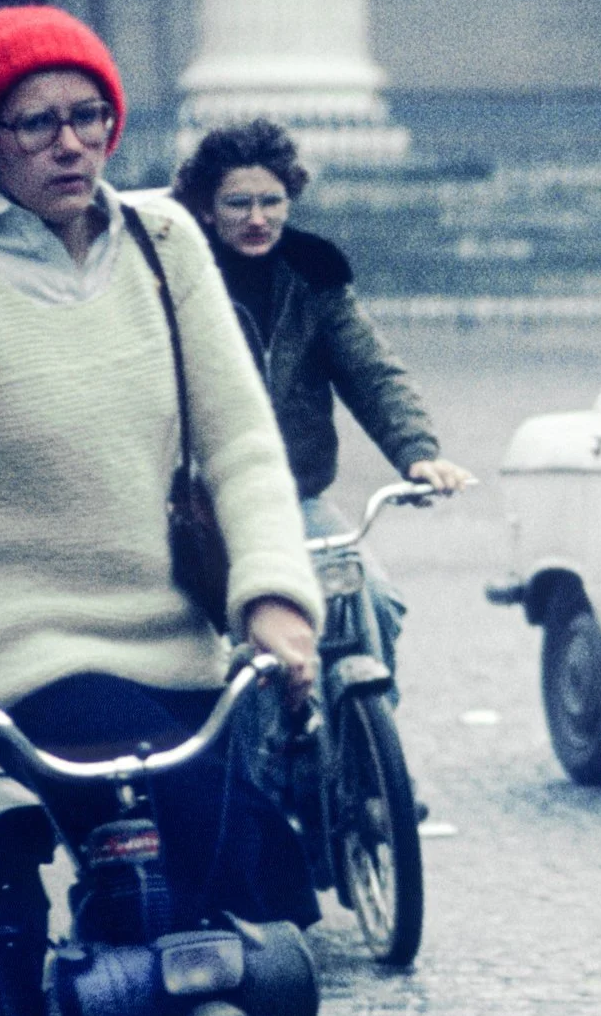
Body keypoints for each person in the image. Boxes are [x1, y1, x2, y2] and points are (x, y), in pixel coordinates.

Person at [0, 3, 325, 969]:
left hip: (180, 644)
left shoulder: (168, 244)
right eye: (38, 123)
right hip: (29, 652)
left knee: (254, 871)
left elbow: (240, 440)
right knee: (164, 841)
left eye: (90, 116)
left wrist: (275, 600)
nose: (72, 145)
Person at [170, 119, 473, 684]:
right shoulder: (176, 279)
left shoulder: (313, 272)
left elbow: (371, 371)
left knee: (374, 605)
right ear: (207, 209)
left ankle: (365, 751)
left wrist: (417, 451)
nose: (258, 218)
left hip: (295, 495)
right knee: (225, 644)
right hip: (197, 507)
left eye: (272, 201)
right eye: (238, 203)